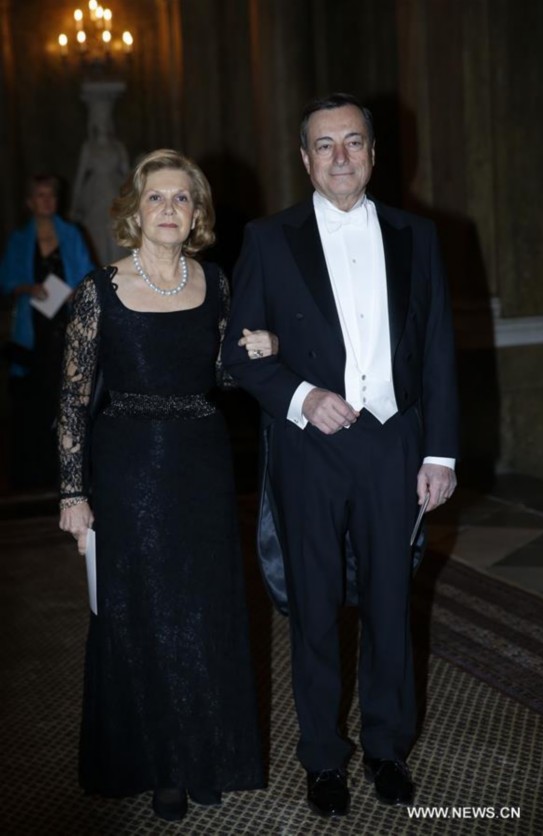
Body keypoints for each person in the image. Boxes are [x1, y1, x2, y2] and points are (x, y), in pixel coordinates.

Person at [222, 93, 459, 817]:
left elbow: (441, 351)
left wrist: (441, 454)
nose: (340, 158)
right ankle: (322, 758)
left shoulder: (418, 235)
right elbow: (238, 350)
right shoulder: (268, 238)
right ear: (304, 159)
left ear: (374, 153)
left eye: (353, 142)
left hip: (395, 446)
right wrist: (300, 396)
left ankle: (388, 749)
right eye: (324, 146)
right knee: (315, 610)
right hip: (310, 452)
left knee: (392, 603)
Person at [58, 149, 275, 821]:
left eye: (183, 198)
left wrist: (262, 350)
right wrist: (72, 494)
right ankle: (160, 766)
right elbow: (70, 400)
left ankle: (204, 752)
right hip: (128, 471)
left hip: (202, 464)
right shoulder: (99, 290)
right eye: (157, 197)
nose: (171, 209)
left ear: (198, 212)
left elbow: (223, 372)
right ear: (135, 209)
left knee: (205, 612)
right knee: (144, 616)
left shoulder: (213, 281)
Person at [0, 174, 94, 490]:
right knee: (31, 403)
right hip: (32, 328)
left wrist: (72, 292)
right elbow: (7, 281)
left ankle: (66, 474)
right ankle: (32, 476)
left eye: (51, 195)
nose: (47, 201)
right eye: (40, 195)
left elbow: (87, 276)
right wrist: (29, 288)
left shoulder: (72, 234)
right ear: (29, 202)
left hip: (63, 326)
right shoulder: (19, 238)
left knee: (65, 397)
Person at [71, 99, 129, 264]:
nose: (102, 122)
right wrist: (75, 206)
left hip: (115, 191)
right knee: (97, 238)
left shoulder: (118, 147)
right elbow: (80, 177)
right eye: (99, 118)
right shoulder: (88, 147)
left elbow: (128, 177)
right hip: (94, 195)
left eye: (105, 118)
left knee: (117, 236)